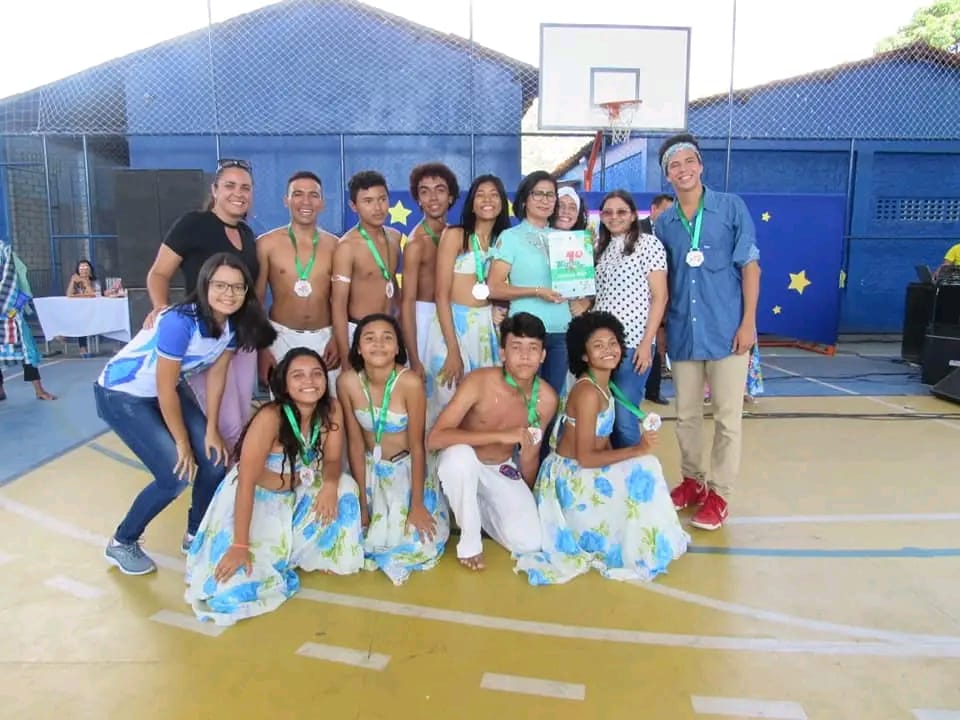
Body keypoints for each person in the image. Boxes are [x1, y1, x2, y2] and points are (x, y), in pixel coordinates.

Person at [97, 253, 275, 575]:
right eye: (220, 285)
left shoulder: (233, 324)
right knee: (175, 475)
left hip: (163, 392)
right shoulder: (180, 322)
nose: (229, 294)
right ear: (205, 285)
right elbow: (165, 388)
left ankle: (195, 533)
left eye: (237, 287)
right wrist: (182, 443)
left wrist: (211, 429)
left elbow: (217, 375)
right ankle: (123, 541)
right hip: (123, 395)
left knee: (215, 459)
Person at [185, 348, 364, 626]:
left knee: (345, 489)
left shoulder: (331, 408)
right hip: (256, 499)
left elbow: (331, 460)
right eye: (298, 375)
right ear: (284, 383)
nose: (309, 381)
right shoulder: (271, 416)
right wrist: (240, 545)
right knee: (234, 588)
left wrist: (329, 485)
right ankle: (254, 549)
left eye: (316, 374)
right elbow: (246, 482)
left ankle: (303, 552)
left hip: (297, 489)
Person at [514, 311, 689, 585]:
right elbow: (585, 457)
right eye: (598, 345)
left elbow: (603, 441)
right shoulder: (587, 393)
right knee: (646, 466)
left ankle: (644, 541)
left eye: (612, 343)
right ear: (583, 355)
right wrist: (637, 449)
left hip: (583, 471)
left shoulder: (604, 386)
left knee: (642, 468)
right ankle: (637, 545)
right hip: (570, 479)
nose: (608, 349)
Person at [654, 133, 760, 530]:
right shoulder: (664, 224)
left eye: (688, 162)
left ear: (700, 165)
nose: (682, 170)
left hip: (727, 332)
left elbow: (750, 267)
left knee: (728, 419)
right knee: (686, 417)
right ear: (667, 175)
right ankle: (693, 481)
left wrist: (748, 322)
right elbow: (664, 282)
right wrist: (662, 330)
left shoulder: (730, 208)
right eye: (674, 165)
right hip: (683, 331)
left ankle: (720, 494)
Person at [145, 158, 262, 451]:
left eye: (245, 188)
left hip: (241, 339)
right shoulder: (193, 224)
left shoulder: (247, 234)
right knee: (225, 423)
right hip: (207, 338)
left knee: (241, 417)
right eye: (230, 186)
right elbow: (158, 273)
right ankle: (224, 476)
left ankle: (236, 473)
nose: (238, 193)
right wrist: (160, 307)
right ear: (215, 190)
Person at [428, 312, 558, 571]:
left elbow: (530, 457)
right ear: (502, 353)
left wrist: (524, 498)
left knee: (529, 543)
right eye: (516, 347)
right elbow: (435, 438)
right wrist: (501, 435)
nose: (525, 356)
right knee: (460, 458)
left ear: (543, 355)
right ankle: (469, 541)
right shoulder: (479, 381)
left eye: (533, 348)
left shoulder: (547, 399)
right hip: (461, 464)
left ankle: (475, 507)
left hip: (501, 468)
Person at [336, 313, 448, 584]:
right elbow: (354, 444)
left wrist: (417, 504)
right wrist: (363, 504)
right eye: (369, 338)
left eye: (387, 338)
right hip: (369, 471)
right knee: (351, 537)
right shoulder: (347, 382)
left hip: (406, 471)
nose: (378, 344)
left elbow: (418, 447)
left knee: (417, 543)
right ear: (358, 348)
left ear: (398, 347)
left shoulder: (410, 383)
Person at [423, 174, 510, 430]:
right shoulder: (455, 236)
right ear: (471, 203)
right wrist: (453, 350)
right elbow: (441, 295)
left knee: (482, 406)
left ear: (502, 203)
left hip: (486, 331)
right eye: (480, 194)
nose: (487, 200)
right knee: (446, 399)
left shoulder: (504, 241)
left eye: (494, 195)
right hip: (452, 326)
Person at [592, 190, 668, 449]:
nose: (614, 217)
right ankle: (612, 466)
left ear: (634, 215)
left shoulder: (649, 245)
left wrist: (647, 344)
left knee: (625, 417)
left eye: (621, 211)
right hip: (600, 345)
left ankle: (635, 468)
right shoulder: (598, 249)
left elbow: (660, 297)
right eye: (608, 212)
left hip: (633, 344)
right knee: (603, 416)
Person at [254, 171, 340, 392]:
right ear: (286, 200)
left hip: (325, 339)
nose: (306, 201)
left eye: (313, 195)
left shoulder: (336, 246)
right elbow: (257, 300)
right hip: (280, 337)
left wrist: (337, 339)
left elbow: (341, 301)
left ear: (322, 202)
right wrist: (263, 348)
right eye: (298, 194)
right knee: (284, 404)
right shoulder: (266, 244)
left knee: (328, 403)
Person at [488, 171, 570, 398]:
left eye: (550, 195)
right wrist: (536, 292)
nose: (545, 200)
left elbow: (576, 284)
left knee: (552, 399)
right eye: (538, 194)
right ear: (525, 199)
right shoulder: (510, 237)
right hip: (525, 332)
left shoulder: (564, 238)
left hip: (561, 331)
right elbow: (494, 287)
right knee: (522, 400)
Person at [331, 171, 402, 366]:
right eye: (368, 201)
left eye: (382, 199)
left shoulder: (395, 237)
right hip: (358, 330)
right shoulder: (347, 246)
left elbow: (391, 281)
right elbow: (338, 304)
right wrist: (345, 356)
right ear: (354, 206)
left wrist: (401, 322)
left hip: (389, 329)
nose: (378, 208)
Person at [399, 163, 459, 379]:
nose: (433, 198)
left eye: (439, 190)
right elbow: (407, 302)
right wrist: (414, 358)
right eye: (425, 192)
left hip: (454, 315)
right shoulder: (416, 243)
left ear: (450, 197)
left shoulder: (455, 234)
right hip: (424, 320)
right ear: (418, 199)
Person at [0, 239, 56, 401]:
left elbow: (24, 289)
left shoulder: (7, 255)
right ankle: (0, 390)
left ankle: (39, 390)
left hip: (12, 315)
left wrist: (13, 309)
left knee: (27, 353)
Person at [641, 194, 674, 405]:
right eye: (665, 211)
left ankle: (653, 390)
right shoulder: (636, 229)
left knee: (657, 345)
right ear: (653, 209)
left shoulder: (674, 232)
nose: (669, 216)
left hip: (663, 295)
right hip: (637, 301)